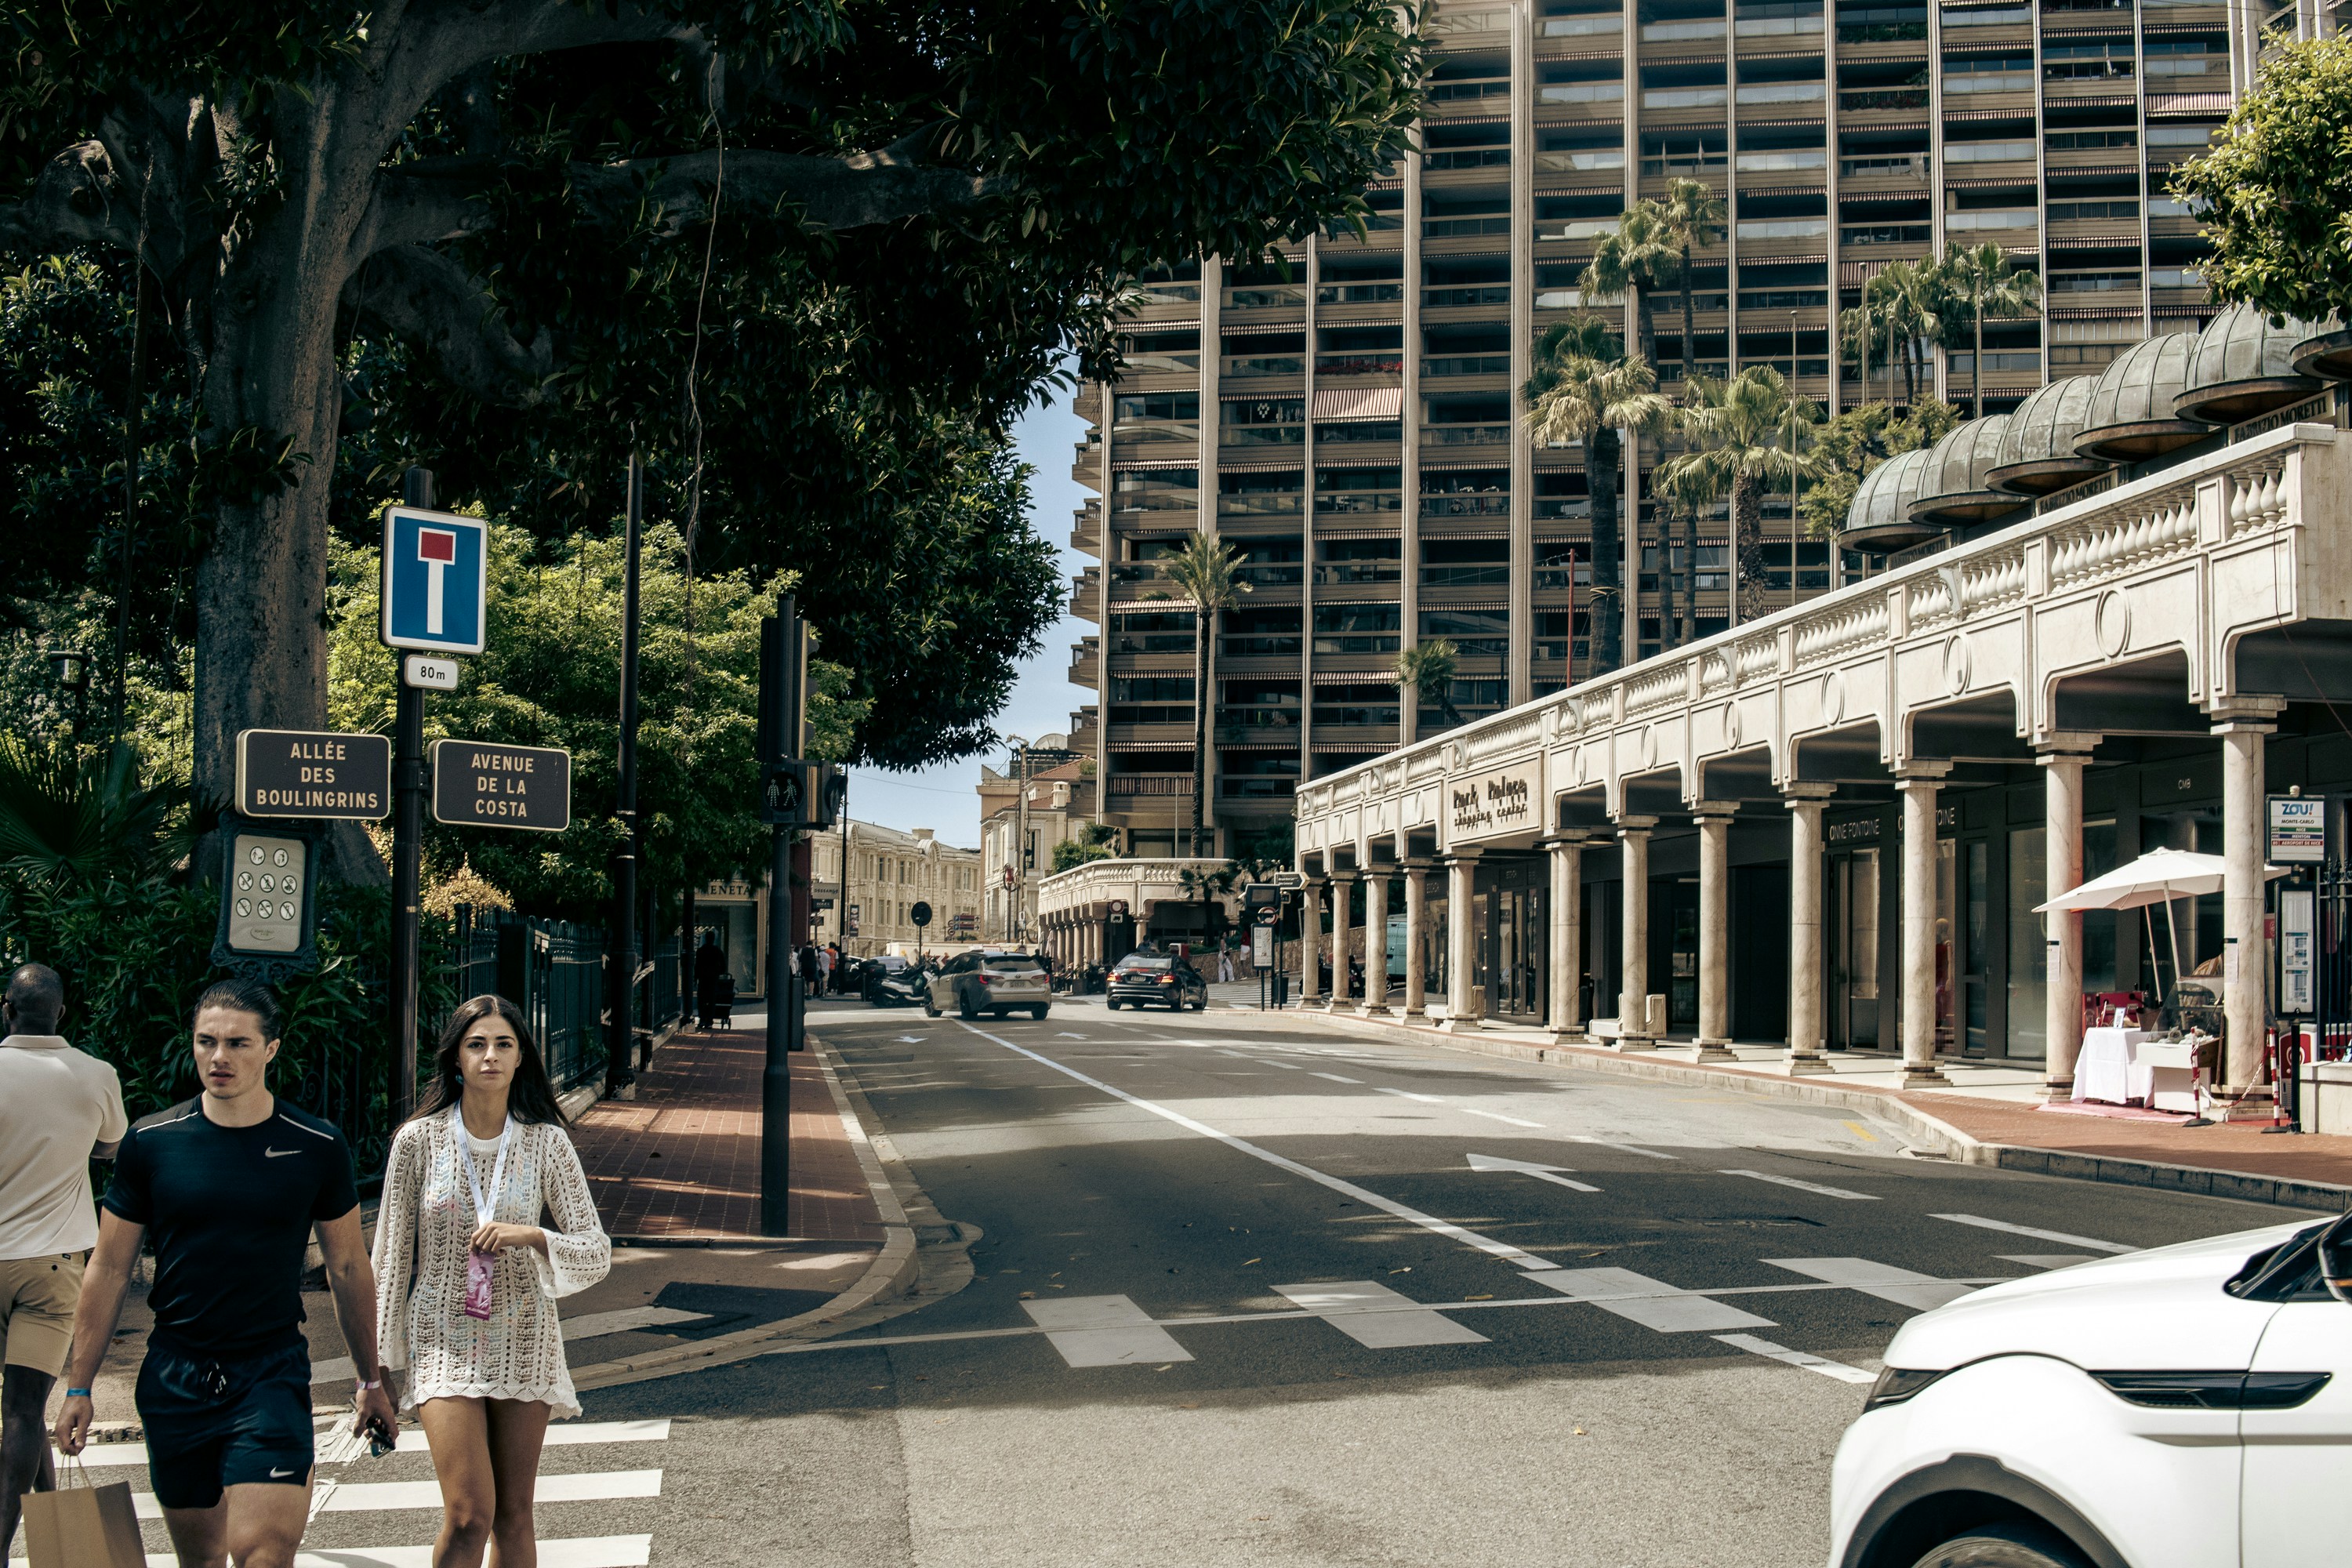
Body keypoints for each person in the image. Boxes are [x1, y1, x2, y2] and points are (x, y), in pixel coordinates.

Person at [53, 978, 397, 1568]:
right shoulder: (150, 1142)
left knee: (261, 1555)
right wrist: (79, 1387)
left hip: (271, 1373)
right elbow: (109, 1269)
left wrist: (370, 1380)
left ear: (272, 1049)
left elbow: (346, 1266)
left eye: (238, 1043)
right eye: (206, 1042)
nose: (219, 1057)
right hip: (174, 1377)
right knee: (204, 1560)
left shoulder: (316, 1145)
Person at [372, 996, 610, 1568]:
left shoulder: (546, 1142)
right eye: (476, 1044)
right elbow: (389, 1260)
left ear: (522, 1057)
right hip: (441, 1336)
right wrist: (376, 1370)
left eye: (504, 1044)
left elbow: (595, 1250)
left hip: (525, 1334)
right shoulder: (418, 1141)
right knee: (468, 1515)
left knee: (514, 1516)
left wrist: (533, 1237)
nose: (490, 1056)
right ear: (456, 1057)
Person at [0, 963, 126, 1556]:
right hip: (51, 1267)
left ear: (7, 1010)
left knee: (18, 1415)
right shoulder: (93, 1074)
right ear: (63, 1013)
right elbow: (111, 1143)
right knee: (26, 1407)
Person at [692, 933, 727, 1031]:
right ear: (713, 939)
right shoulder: (717, 951)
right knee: (711, 1000)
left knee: (701, 1000)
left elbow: (697, 966)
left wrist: (695, 978)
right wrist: (718, 972)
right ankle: (709, 1021)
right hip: (713, 979)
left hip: (703, 979)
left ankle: (702, 1019)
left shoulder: (701, 951)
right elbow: (723, 965)